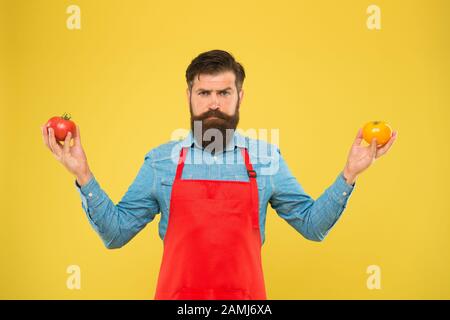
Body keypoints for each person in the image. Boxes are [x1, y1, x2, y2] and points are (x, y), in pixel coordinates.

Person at [41, 49, 397, 300]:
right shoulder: (161, 161)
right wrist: (83, 175)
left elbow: (312, 226)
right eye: (204, 92)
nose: (214, 102)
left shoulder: (264, 159)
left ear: (240, 96)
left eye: (224, 92)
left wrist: (349, 174)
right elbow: (115, 234)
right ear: (189, 96)